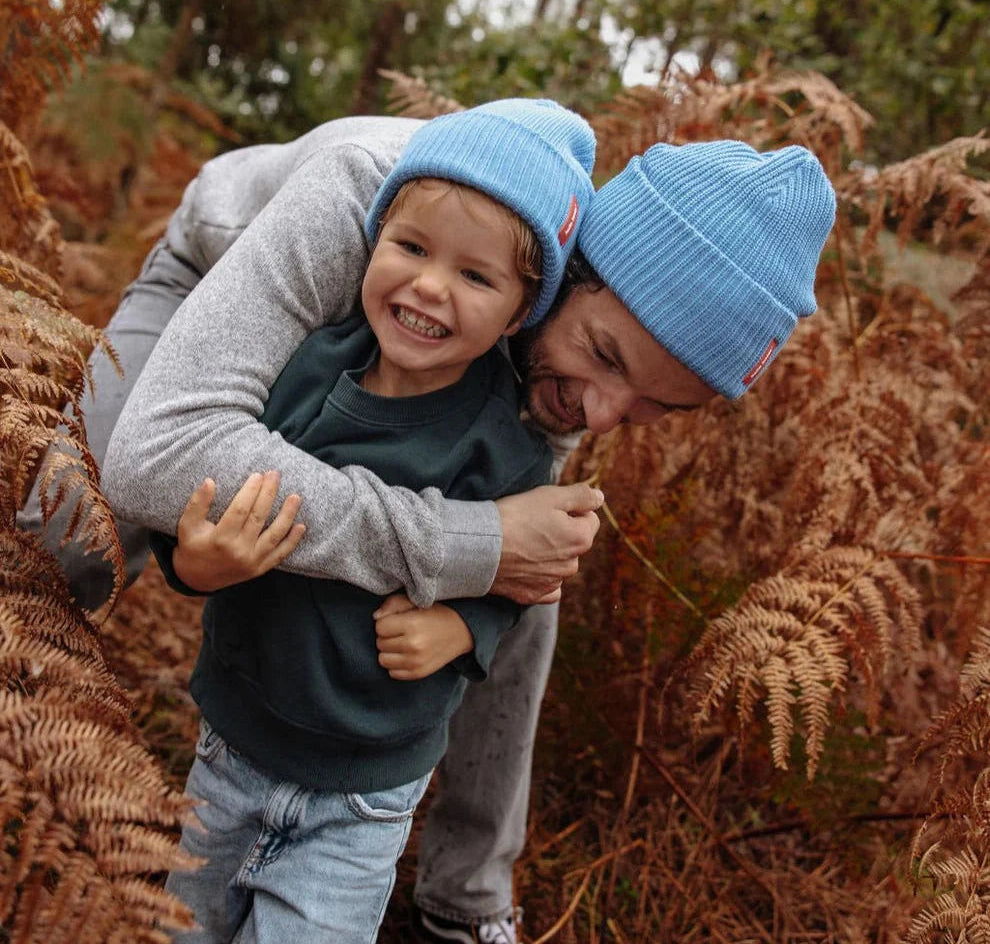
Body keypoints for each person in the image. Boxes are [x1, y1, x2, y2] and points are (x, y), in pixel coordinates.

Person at [22, 111, 835, 942]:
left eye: (658, 406)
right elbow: (157, 451)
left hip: (417, 337)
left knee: (529, 567)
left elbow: (511, 550)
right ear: (572, 273)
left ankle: (466, 894)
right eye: (607, 356)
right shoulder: (366, 199)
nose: (600, 411)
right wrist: (466, 542)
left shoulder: (544, 321)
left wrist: (490, 567)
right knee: (63, 531)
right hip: (221, 274)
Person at [142, 98, 596, 943]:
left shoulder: (502, 445)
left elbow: (524, 579)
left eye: (475, 275)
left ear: (521, 312)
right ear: (374, 236)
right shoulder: (307, 372)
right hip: (232, 749)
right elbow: (213, 502)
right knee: (182, 927)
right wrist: (191, 563)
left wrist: (463, 628)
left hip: (366, 796)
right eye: (411, 246)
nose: (429, 285)